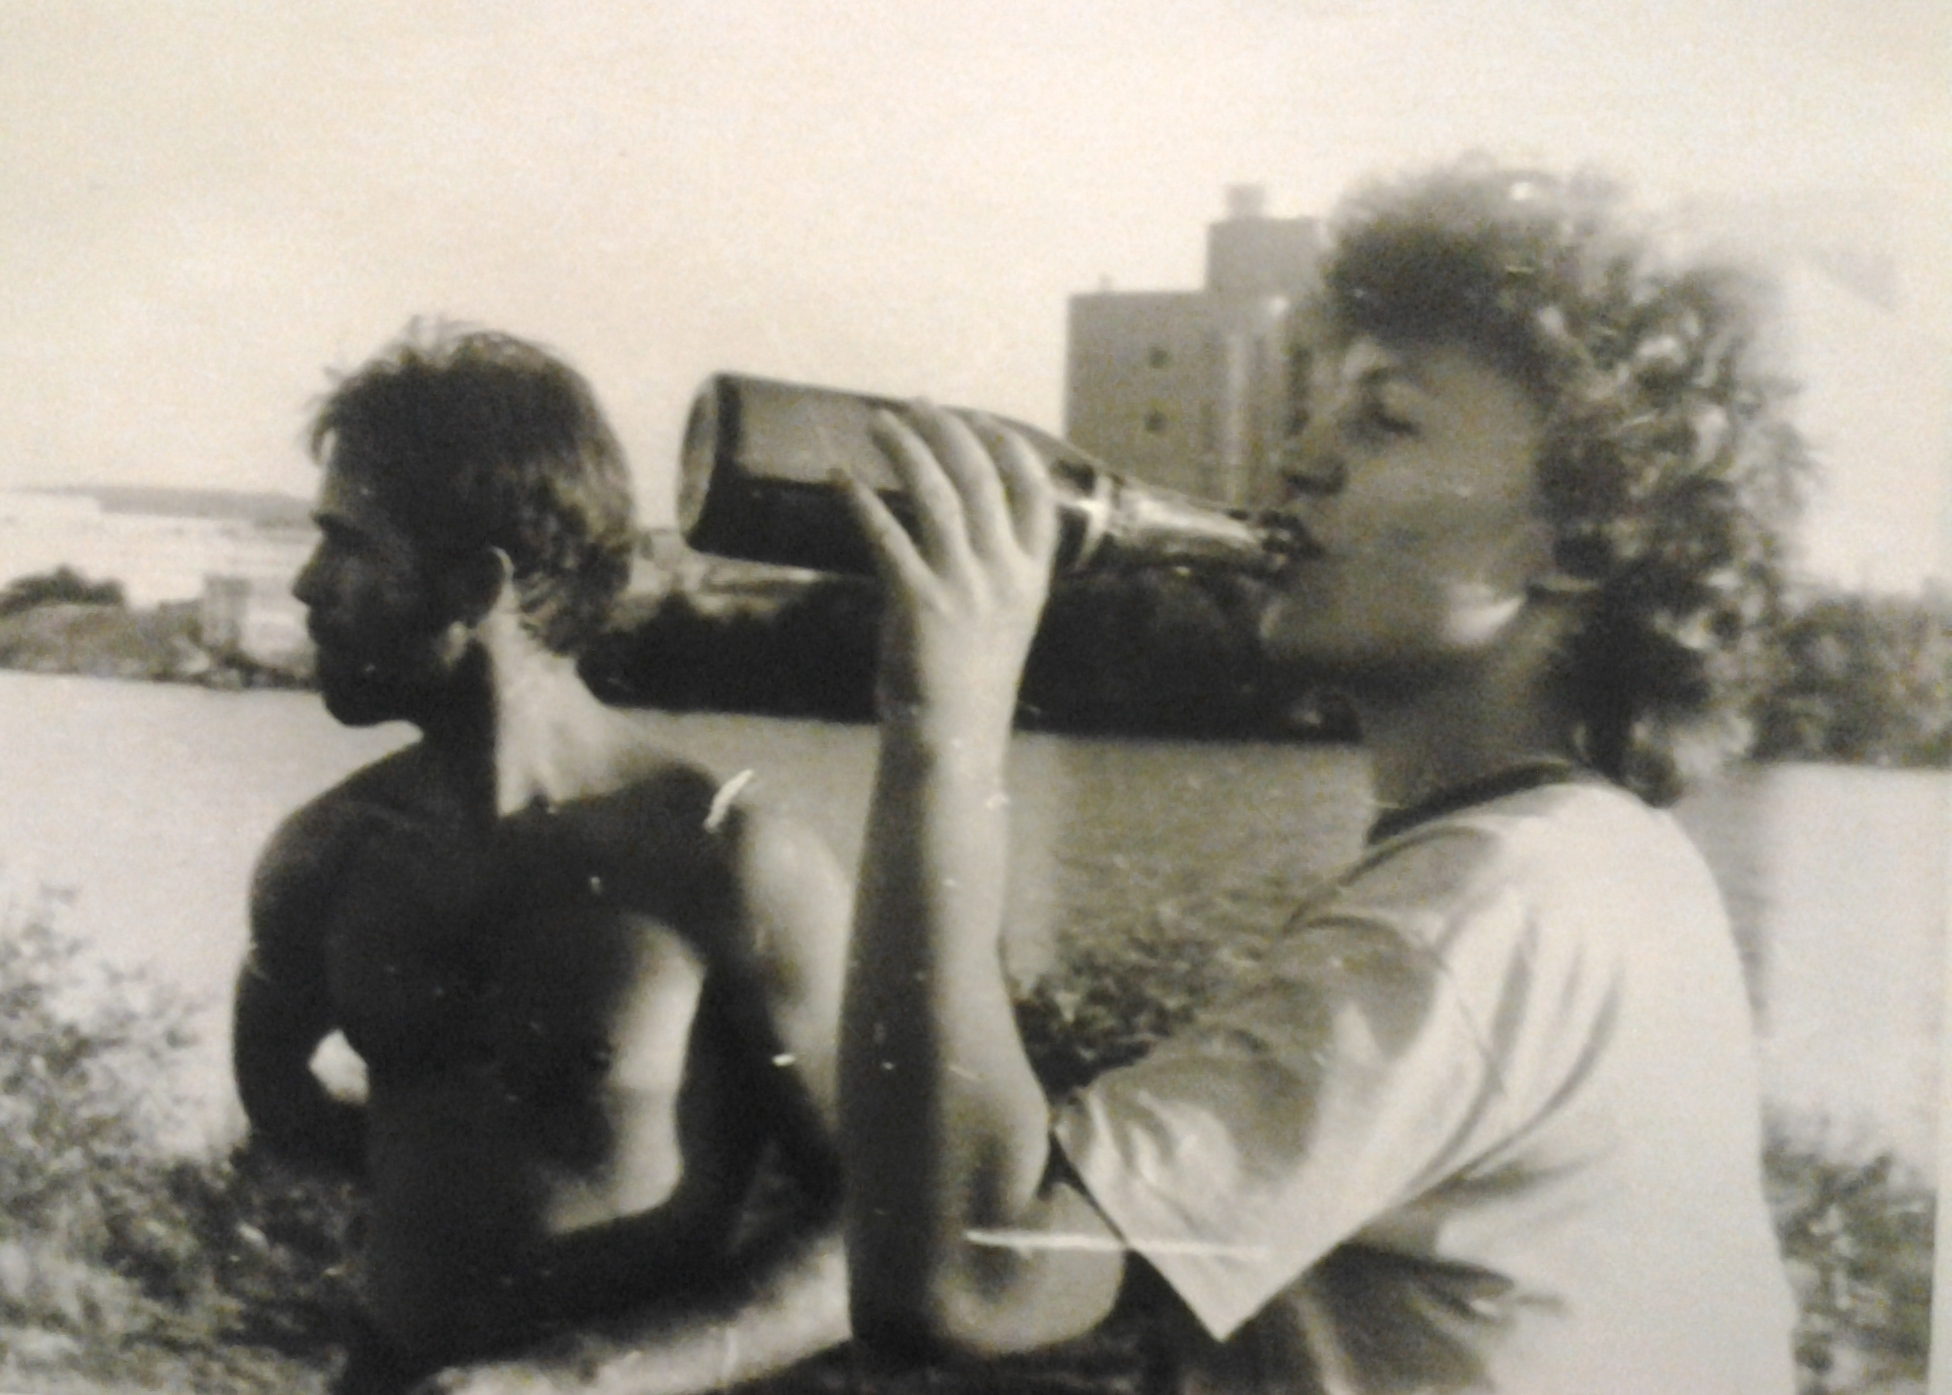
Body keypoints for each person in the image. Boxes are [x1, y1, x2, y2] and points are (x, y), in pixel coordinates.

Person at [835, 163, 1804, 1393]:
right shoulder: (1599, 862)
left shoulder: (1488, 904)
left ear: (1581, 537)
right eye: (1311, 411)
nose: (1293, 460)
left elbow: (969, 1280)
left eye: (1382, 420)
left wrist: (945, 722)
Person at [233, 324, 853, 1395]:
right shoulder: (328, 853)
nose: (304, 585)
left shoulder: (731, 864)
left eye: (347, 544)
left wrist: (580, 1371)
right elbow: (276, 1092)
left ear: (477, 586)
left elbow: (876, 1223)